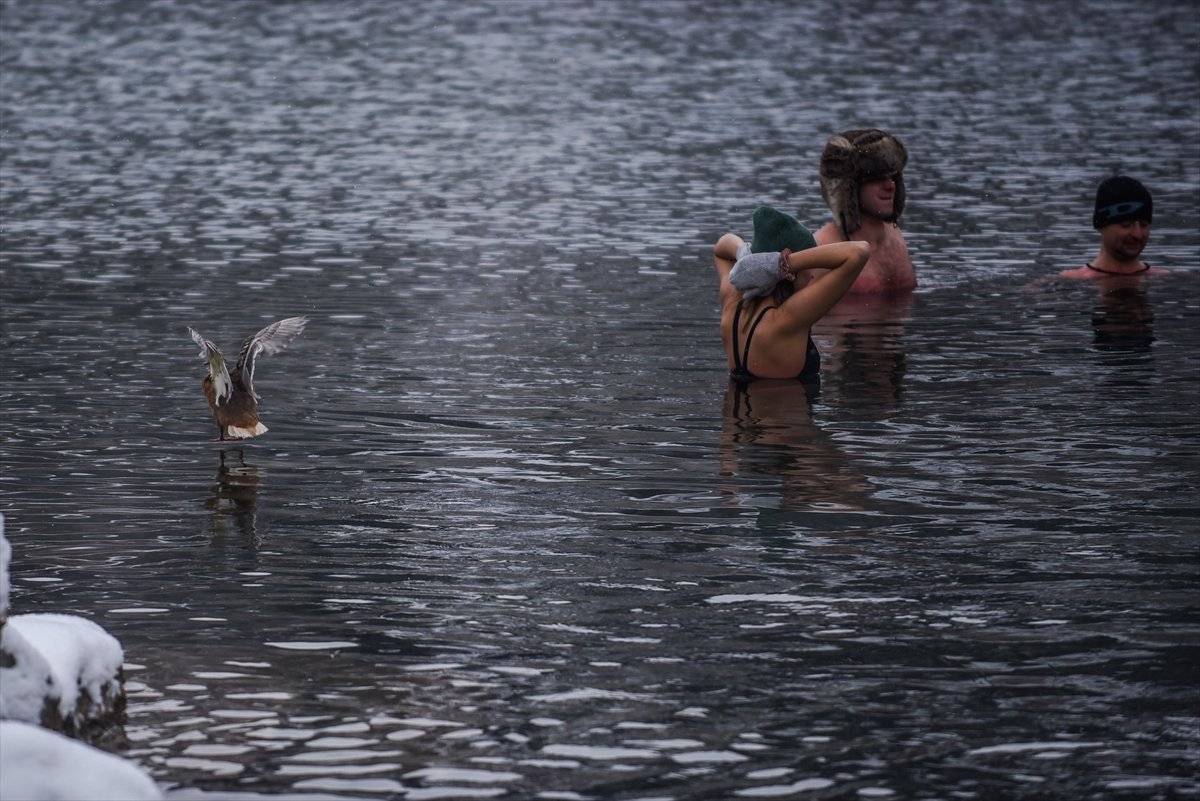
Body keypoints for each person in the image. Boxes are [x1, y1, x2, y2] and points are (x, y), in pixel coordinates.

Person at [713, 205, 869, 382]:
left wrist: (746, 255)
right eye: (806, 268)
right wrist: (781, 264)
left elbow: (721, 248)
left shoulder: (732, 301)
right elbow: (859, 252)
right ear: (789, 273)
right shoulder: (788, 318)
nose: (811, 275)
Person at [813, 128, 916, 294]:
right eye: (875, 178)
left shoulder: (896, 237)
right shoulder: (823, 250)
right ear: (849, 189)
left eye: (893, 177)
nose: (890, 186)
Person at [1060, 176, 1167, 279]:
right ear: (1101, 226)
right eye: (1126, 225)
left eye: (1144, 225)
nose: (1137, 234)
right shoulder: (1071, 281)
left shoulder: (1164, 278)